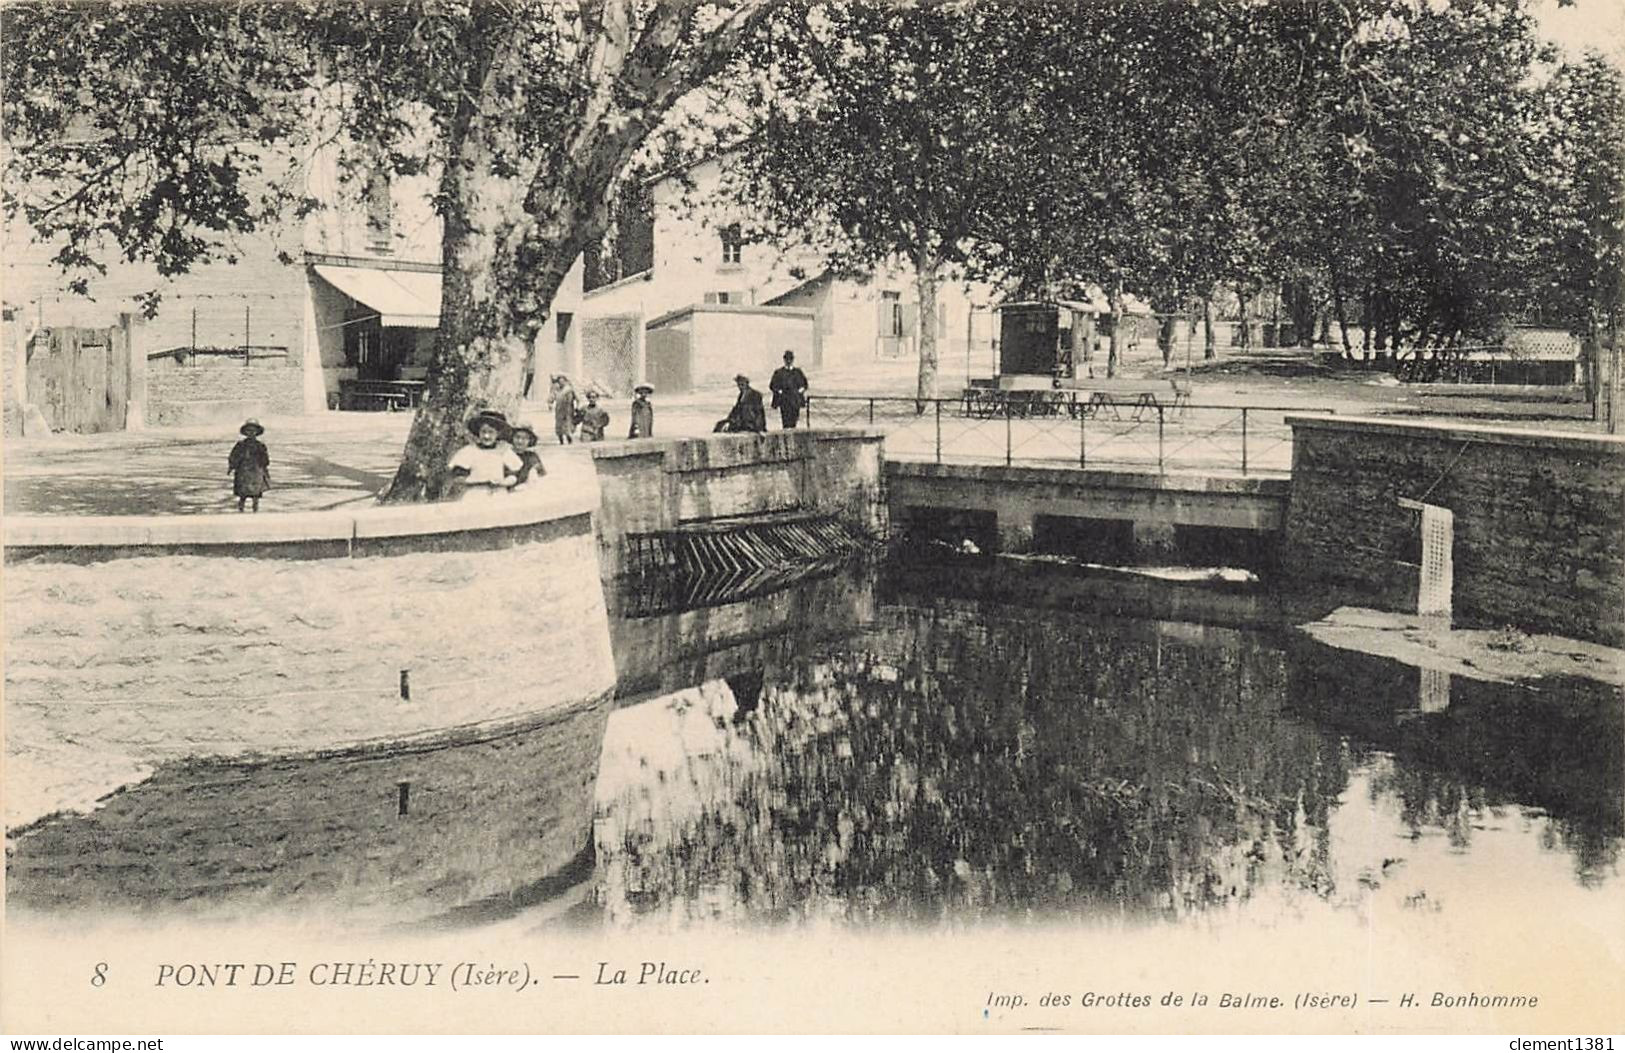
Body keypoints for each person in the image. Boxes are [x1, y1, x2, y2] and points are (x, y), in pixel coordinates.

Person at [447, 409, 521, 498]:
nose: (486, 436)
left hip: (499, 494)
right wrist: (481, 481)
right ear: (478, 432)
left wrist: (502, 482)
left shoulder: (504, 451)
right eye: (483, 432)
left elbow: (513, 476)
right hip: (475, 494)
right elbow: (458, 478)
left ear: (498, 434)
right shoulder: (469, 451)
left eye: (491, 432)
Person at [227, 419, 270, 513]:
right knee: (242, 494)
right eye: (248, 430)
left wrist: (264, 469)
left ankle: (255, 511)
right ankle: (241, 511)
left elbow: (265, 459)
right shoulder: (240, 445)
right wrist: (232, 466)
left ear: (257, 432)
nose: (251, 433)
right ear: (245, 432)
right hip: (243, 471)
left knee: (256, 494)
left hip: (256, 471)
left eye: (253, 431)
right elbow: (233, 456)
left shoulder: (260, 445)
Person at [769, 349, 809, 429]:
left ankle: (792, 435)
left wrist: (800, 390)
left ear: (793, 360)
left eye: (790, 359)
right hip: (784, 400)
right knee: (785, 421)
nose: (788, 361)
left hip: (795, 400)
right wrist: (779, 391)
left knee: (794, 420)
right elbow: (772, 385)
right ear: (784, 360)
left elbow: (805, 384)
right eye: (787, 359)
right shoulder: (779, 372)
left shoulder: (798, 372)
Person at [508, 423, 546, 488]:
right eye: (517, 437)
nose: (520, 441)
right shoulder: (507, 454)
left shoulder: (532, 456)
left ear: (529, 440)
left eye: (524, 438)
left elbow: (540, 475)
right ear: (512, 438)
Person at [548, 375, 577, 444]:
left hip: (568, 410)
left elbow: (576, 398)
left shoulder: (569, 390)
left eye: (562, 381)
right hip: (559, 410)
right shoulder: (557, 390)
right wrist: (550, 404)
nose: (561, 383)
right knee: (559, 426)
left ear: (565, 381)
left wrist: (577, 407)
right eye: (560, 381)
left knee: (567, 425)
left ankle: (569, 439)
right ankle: (561, 440)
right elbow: (551, 398)